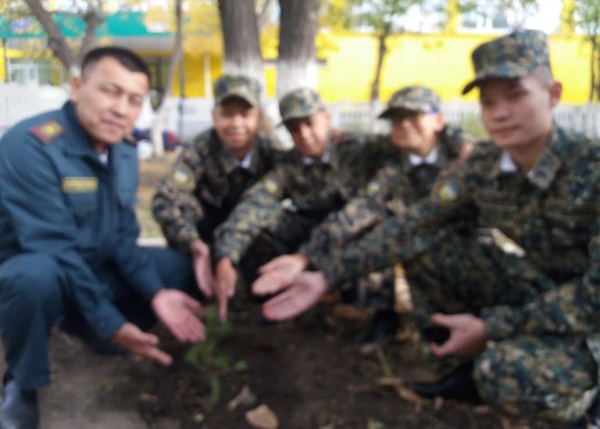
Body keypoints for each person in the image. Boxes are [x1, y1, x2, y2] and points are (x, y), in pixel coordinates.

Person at [261, 30, 600, 428]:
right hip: (545, 290)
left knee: (504, 372)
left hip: (592, 314)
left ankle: (584, 407)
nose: (500, 112)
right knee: (426, 247)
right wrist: (325, 274)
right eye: (488, 101)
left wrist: (492, 326)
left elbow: (594, 296)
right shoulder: (485, 165)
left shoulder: (590, 168)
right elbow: (415, 225)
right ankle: (460, 366)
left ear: (553, 94)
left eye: (515, 95)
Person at [0, 47, 205, 429]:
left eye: (135, 100)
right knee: (34, 278)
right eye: (110, 92)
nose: (121, 109)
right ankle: (22, 382)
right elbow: (54, 248)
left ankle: (94, 330)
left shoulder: (122, 151)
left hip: (91, 265)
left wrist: (155, 293)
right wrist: (109, 320)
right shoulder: (30, 146)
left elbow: (123, 234)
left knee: (177, 269)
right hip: (39, 270)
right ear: (77, 88)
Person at [253, 85, 470, 341]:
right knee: (387, 237)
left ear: (439, 120)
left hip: (470, 251)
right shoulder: (391, 170)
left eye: (414, 116)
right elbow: (359, 211)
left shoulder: (467, 161)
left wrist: (457, 137)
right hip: (418, 247)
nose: (403, 124)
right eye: (396, 119)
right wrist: (305, 257)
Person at [212, 87, 402, 321]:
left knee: (379, 225)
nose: (304, 134)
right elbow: (255, 204)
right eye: (294, 128)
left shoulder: (360, 149)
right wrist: (226, 256)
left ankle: (377, 311)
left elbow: (410, 144)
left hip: (355, 227)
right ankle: (272, 298)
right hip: (312, 229)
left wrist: (305, 256)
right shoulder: (288, 164)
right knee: (264, 224)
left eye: (309, 123)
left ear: (327, 118)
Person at [152, 74, 276, 299]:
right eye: (227, 114)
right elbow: (165, 199)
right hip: (204, 238)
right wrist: (192, 243)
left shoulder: (271, 153)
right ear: (214, 117)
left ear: (258, 117)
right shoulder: (200, 149)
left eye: (245, 114)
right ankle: (192, 285)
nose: (236, 124)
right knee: (184, 207)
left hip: (249, 238)